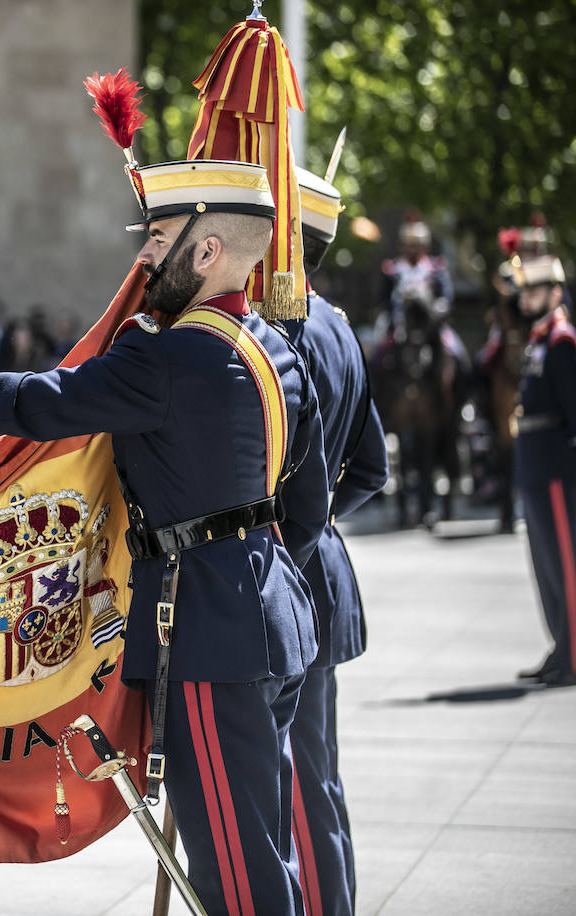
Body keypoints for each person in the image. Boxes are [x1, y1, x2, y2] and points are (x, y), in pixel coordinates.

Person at [0, 158, 328, 914]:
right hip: (273, 616)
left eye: (158, 239)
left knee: (238, 878)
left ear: (208, 250)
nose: (144, 256)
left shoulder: (168, 353)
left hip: (208, 633)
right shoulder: (276, 348)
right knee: (262, 847)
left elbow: (36, 402)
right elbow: (308, 506)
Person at [281, 167, 390, 916]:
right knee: (316, 775)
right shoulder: (339, 324)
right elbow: (372, 467)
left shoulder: (284, 329)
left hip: (287, 574)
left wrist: (298, 528)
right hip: (319, 566)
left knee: (297, 780)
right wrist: (319, 522)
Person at [509, 254, 576, 687]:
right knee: (546, 568)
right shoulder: (538, 339)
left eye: (535, 290)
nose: (527, 297)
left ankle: (574, 656)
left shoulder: (562, 340)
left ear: (555, 292)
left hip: (555, 467)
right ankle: (561, 647)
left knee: (565, 567)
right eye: (525, 291)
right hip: (534, 466)